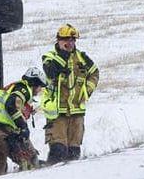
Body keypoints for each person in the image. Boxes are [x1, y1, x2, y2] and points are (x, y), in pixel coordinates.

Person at [41, 24, 100, 163]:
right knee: (58, 151)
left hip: (76, 111)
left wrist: (86, 91)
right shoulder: (49, 57)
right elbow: (51, 72)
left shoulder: (82, 58)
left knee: (74, 153)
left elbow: (95, 73)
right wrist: (64, 55)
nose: (70, 43)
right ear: (58, 40)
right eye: (66, 40)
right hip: (57, 112)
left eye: (73, 40)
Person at [0, 68, 45, 178]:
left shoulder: (12, 90)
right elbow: (11, 105)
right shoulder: (24, 89)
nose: (39, 91)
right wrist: (23, 127)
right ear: (35, 83)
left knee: (28, 161)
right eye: (40, 86)